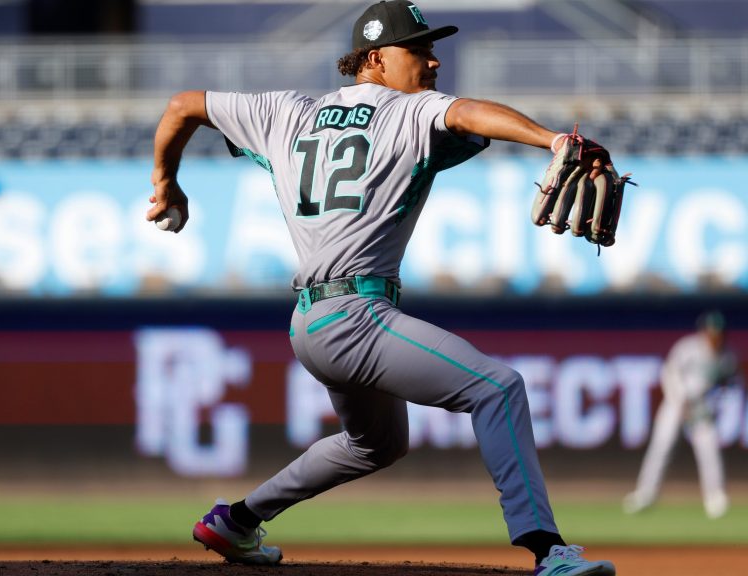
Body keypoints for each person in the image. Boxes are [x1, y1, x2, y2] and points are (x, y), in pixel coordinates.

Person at [148, 2, 619, 574]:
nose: (433, 60)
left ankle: (238, 519)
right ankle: (549, 551)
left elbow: (182, 106)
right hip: (355, 317)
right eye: (417, 49)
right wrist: (551, 140)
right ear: (375, 59)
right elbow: (469, 115)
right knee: (498, 388)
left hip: (309, 324)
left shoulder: (285, 111)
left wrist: (165, 181)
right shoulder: (409, 113)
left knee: (377, 444)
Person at [624, 310, 741, 519]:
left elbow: (729, 385)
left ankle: (715, 497)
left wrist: (713, 404)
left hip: (702, 407)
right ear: (703, 331)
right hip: (676, 403)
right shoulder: (687, 347)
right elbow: (669, 373)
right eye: (710, 331)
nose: (714, 336)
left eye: (718, 332)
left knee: (709, 450)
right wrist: (680, 400)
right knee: (661, 448)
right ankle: (646, 494)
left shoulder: (727, 356)